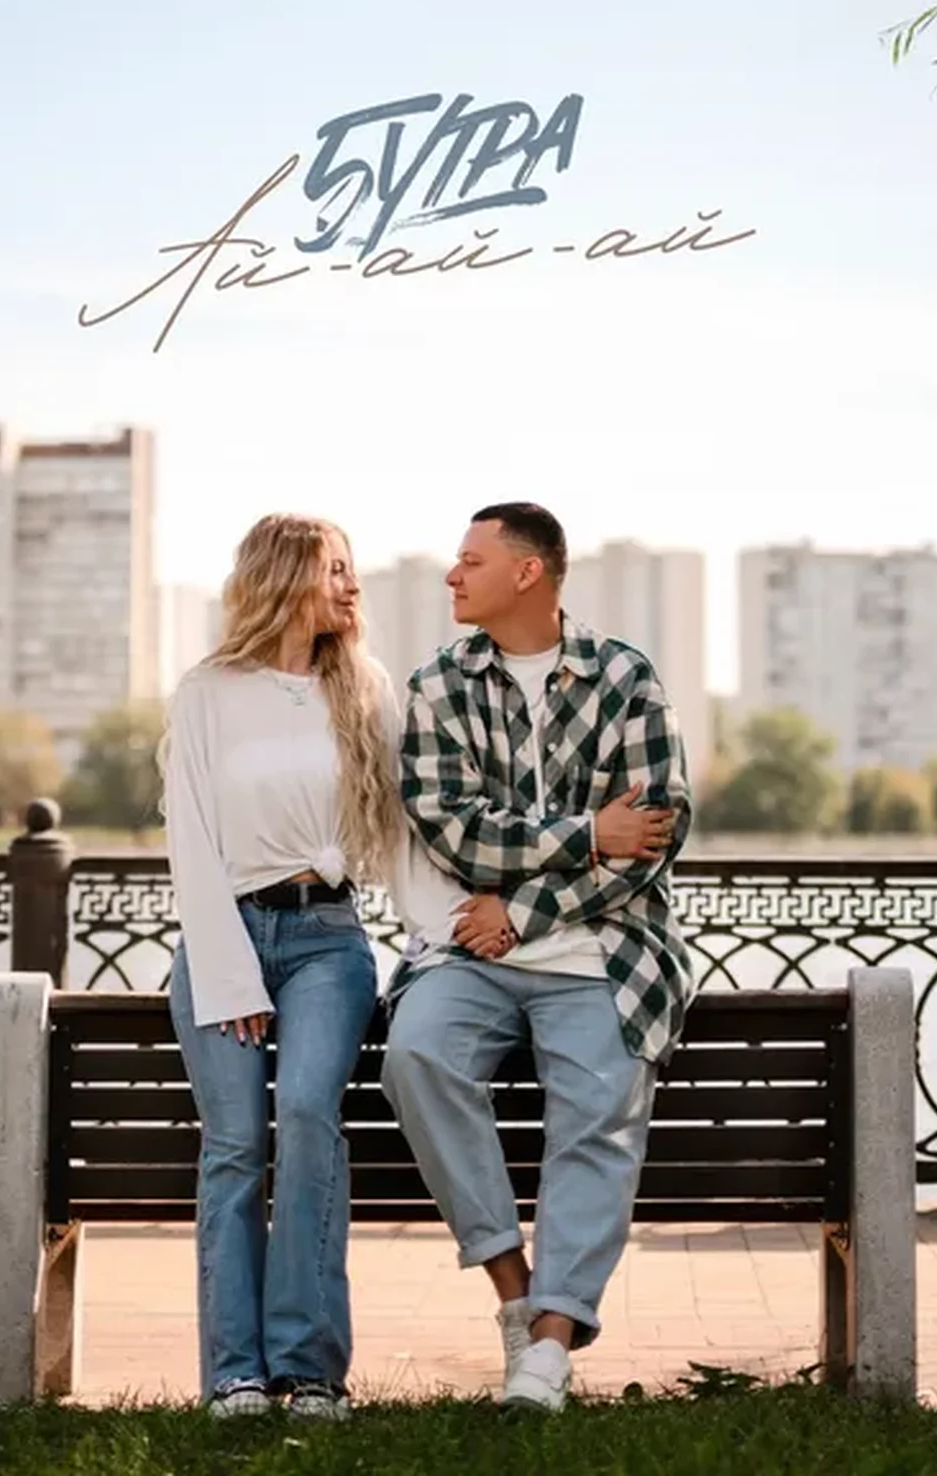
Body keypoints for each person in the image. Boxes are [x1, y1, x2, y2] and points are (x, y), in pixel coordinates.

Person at [380, 501, 695, 1413]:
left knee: (598, 1112)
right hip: (471, 954)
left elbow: (653, 841)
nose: (452, 574)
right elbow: (455, 832)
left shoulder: (626, 679)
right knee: (416, 1055)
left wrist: (523, 910)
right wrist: (588, 831)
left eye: (470, 560)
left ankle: (552, 1344)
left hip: (604, 954)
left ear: (528, 572)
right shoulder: (438, 685)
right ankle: (518, 1294)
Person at [161, 512, 400, 1422]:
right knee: (234, 1146)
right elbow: (190, 842)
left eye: (350, 568)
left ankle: (308, 1371)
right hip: (226, 936)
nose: (350, 584)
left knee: (305, 1116)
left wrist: (443, 939)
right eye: (333, 568)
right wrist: (230, 975)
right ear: (283, 576)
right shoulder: (208, 692)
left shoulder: (365, 689)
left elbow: (408, 834)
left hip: (327, 942)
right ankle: (235, 1374)